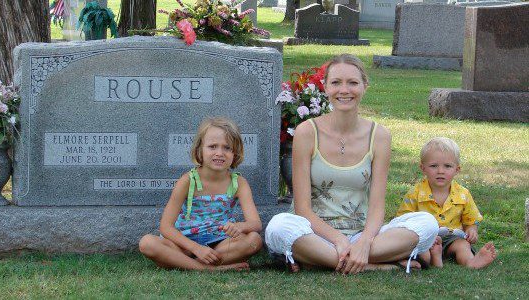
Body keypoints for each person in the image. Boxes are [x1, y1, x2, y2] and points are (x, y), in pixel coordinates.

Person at [265, 54, 438, 274]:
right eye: (336, 82)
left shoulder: (380, 135)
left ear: (365, 86)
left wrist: (364, 242)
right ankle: (372, 266)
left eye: (353, 83)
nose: (344, 90)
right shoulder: (307, 132)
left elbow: (377, 207)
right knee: (278, 227)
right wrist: (338, 240)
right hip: (315, 233)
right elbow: (302, 210)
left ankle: (319, 260)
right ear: (325, 87)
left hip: (362, 234)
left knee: (427, 224)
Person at [139, 117, 263, 271]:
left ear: (235, 152)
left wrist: (240, 226)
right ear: (200, 150)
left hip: (220, 243)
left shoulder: (239, 183)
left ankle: (185, 264)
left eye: (227, 148)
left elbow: (255, 224)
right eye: (212, 146)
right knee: (147, 243)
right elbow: (166, 227)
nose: (219, 153)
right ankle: (209, 268)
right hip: (184, 243)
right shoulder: (188, 181)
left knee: (254, 240)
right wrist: (196, 248)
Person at [396, 137, 497, 269]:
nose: (440, 171)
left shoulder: (463, 194)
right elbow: (403, 220)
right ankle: (433, 260)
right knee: (421, 250)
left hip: (452, 238)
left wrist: (472, 230)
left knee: (463, 246)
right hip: (426, 238)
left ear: (457, 169)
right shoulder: (414, 193)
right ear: (423, 168)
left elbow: (471, 220)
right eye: (433, 166)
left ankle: (471, 262)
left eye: (447, 166)